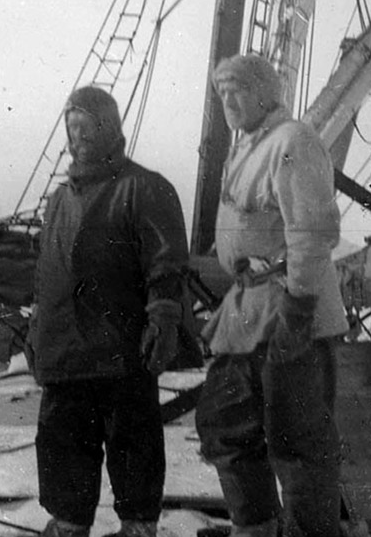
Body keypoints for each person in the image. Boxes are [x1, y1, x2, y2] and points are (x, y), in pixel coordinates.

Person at [26, 85, 190, 537]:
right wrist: (37, 325)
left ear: (109, 128)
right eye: (71, 128)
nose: (78, 137)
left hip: (121, 345)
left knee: (132, 438)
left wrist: (163, 315)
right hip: (63, 346)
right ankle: (69, 523)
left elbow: (166, 261)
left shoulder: (144, 188)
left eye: (87, 127)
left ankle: (138, 527)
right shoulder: (59, 200)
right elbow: (48, 270)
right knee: (62, 438)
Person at [195, 54, 349, 537]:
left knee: (298, 443)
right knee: (227, 428)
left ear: (267, 93)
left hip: (287, 309)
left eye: (237, 90)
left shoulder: (292, 141)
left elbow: (312, 232)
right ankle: (255, 528)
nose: (229, 101)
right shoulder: (245, 149)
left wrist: (298, 312)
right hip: (244, 312)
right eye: (222, 94)